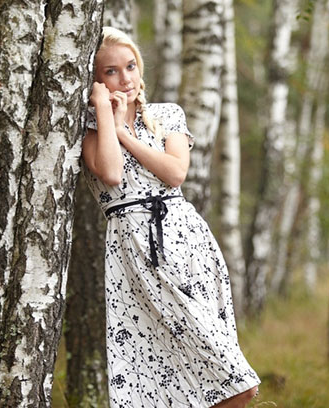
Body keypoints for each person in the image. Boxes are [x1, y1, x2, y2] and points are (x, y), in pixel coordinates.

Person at [81, 26, 261, 408]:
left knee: (229, 378)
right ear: (96, 79)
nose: (125, 78)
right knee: (167, 378)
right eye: (111, 71)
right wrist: (103, 110)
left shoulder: (166, 115)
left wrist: (126, 134)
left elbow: (175, 172)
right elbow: (111, 174)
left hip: (187, 244)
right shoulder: (91, 129)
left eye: (130, 66)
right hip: (135, 253)